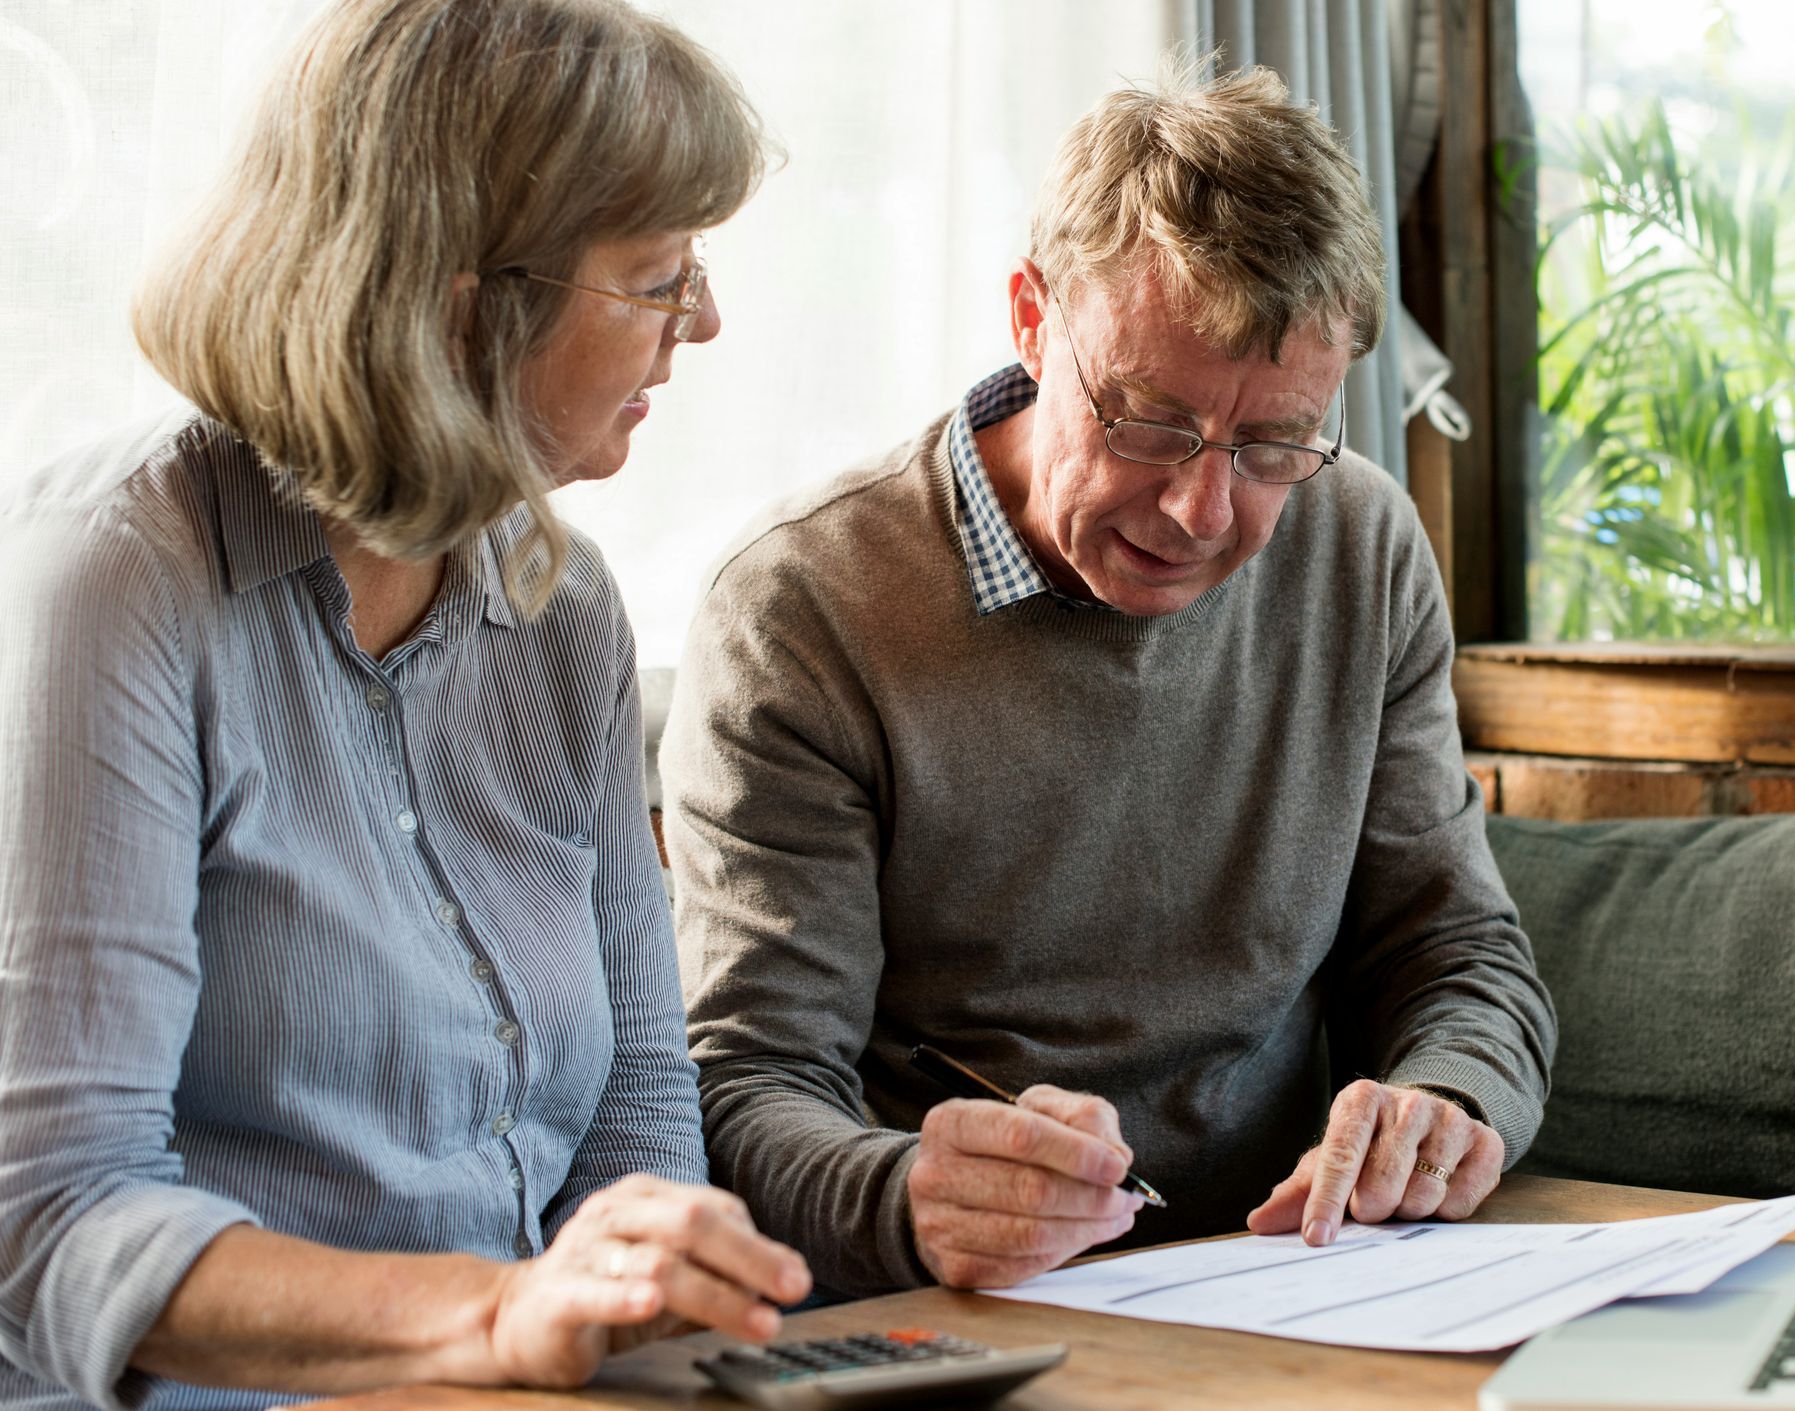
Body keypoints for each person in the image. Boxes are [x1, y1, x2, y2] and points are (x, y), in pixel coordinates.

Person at [0, 3, 812, 1407]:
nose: (705, 322)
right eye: (658, 277)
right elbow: (52, 1214)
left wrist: (646, 1295)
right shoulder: (115, 580)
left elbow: (635, 1088)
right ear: (459, 298)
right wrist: (501, 1314)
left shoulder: (564, 606)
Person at [661, 63, 1557, 1297]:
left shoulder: (1360, 543)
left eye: (1271, 444)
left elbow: (1457, 952)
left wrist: (1448, 1103)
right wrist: (904, 1196)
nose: (1202, 509)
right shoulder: (802, 608)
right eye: (1147, 420)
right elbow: (749, 1083)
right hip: (955, 1307)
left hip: (1304, 1281)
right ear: (1032, 319)